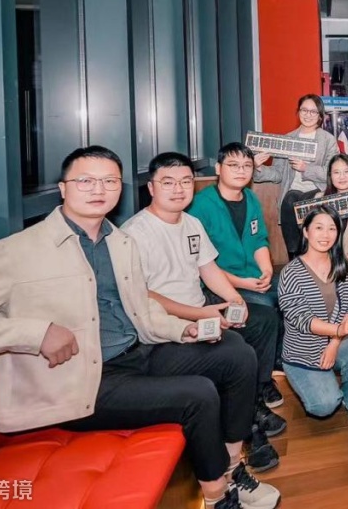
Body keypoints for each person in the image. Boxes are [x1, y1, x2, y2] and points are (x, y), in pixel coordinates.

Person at [0, 146, 280, 509]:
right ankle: (217, 496)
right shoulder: (16, 251)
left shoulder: (120, 243)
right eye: (86, 181)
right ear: (63, 188)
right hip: (82, 380)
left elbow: (142, 310)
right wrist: (36, 333)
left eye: (110, 181)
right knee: (198, 394)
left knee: (235, 353)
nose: (99, 189)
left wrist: (183, 330)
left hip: (137, 353)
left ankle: (232, 465)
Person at [122, 151, 281, 471]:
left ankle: (254, 399)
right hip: (164, 328)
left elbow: (208, 269)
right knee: (236, 353)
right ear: (151, 187)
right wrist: (200, 314)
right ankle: (245, 431)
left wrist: (234, 299)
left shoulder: (191, 223)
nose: (178, 189)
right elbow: (143, 295)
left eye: (185, 182)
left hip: (200, 309)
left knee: (263, 319)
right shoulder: (134, 233)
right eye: (168, 182)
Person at [189, 143, 287, 417]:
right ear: (218, 168)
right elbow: (202, 263)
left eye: (247, 166)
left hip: (252, 275)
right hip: (221, 283)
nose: (241, 171)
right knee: (265, 308)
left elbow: (259, 240)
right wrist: (242, 283)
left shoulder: (251, 199)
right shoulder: (201, 206)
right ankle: (262, 381)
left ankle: (280, 360)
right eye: (233, 165)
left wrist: (266, 270)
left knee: (290, 292)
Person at [277, 207, 348, 421]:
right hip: (303, 352)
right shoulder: (291, 272)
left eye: (332, 228)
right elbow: (302, 319)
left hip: (336, 341)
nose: (326, 235)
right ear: (306, 231)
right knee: (324, 405)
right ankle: (322, 383)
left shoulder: (343, 266)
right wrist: (338, 330)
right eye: (319, 228)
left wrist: (334, 342)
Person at [252, 94, 340, 259]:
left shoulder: (328, 140)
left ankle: (307, 256)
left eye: (313, 112)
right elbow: (278, 173)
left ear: (320, 116)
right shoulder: (287, 139)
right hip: (293, 191)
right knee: (290, 199)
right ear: (298, 112)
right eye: (304, 110)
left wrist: (306, 168)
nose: (308, 115)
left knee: (298, 201)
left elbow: (332, 172)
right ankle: (294, 257)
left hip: (318, 189)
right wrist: (256, 167)